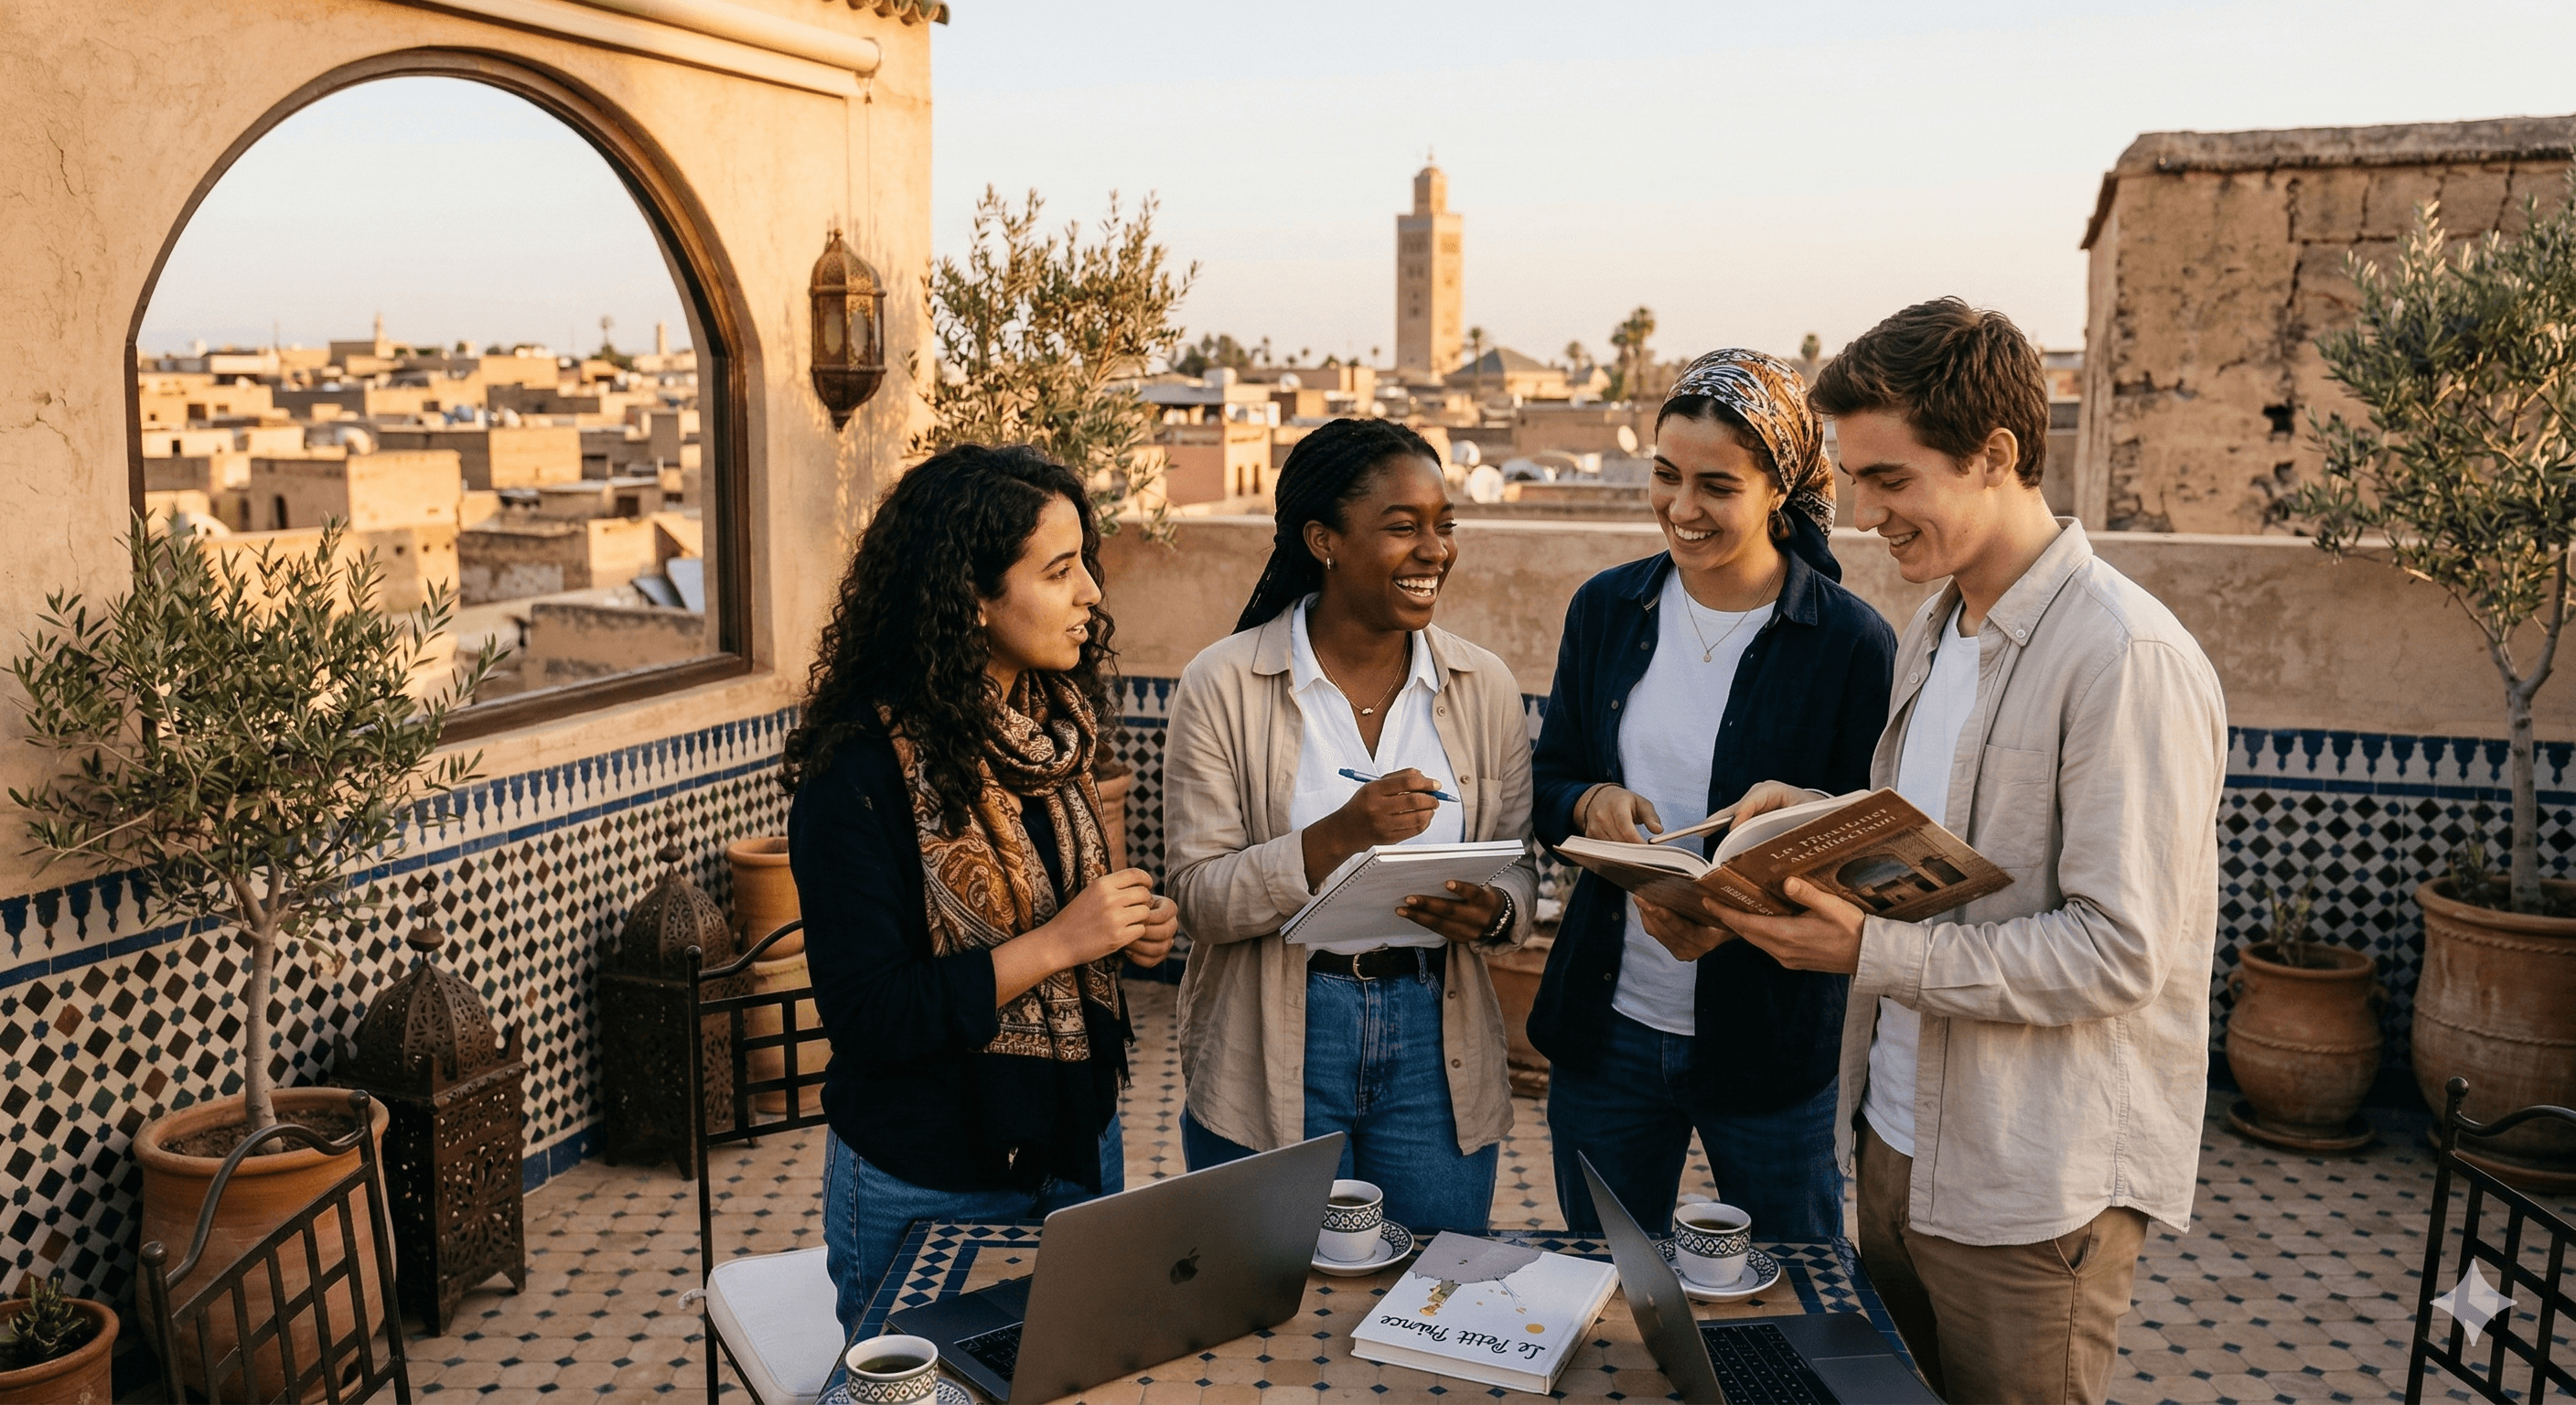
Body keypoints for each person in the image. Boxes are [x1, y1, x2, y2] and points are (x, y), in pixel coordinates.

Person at [1643, 299, 2227, 1405]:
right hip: (1896, 1144)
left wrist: (1865, 954)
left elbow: (2117, 952)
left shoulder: (2122, 656)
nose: (1862, 514)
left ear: (1993, 456)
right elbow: (1949, 850)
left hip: (2027, 1185)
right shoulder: (1937, 625)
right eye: (1854, 479)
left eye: (1888, 479)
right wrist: (1810, 817)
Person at [781, 444, 1178, 1355]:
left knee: (1073, 1373)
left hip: (1077, 1148)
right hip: (928, 1177)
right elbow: (869, 1014)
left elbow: (1059, 921)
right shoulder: (859, 772)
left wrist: (1125, 932)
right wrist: (1060, 943)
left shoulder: (1054, 732)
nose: (1092, 594)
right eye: (1059, 571)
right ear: (970, 597)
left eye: (1086, 565)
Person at [1528, 349, 1896, 1241]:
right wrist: (1589, 801)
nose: (1681, 508)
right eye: (1666, 475)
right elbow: (1548, 783)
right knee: (1606, 1270)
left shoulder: (1849, 645)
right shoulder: (1606, 609)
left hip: (1770, 1046)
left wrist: (1737, 911)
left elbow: (1874, 855)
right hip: (1608, 1032)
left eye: (1716, 486)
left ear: (1778, 490)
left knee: (1794, 1284)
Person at [1163, 416, 1539, 1236]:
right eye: (1403, 527)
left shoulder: (1483, 685)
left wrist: (1494, 911)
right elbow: (1198, 900)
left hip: (1437, 1036)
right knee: (1269, 1279)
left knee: (1433, 1276)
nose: (1434, 551)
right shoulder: (1223, 684)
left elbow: (1517, 863)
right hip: (1277, 1029)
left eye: (1444, 525)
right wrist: (1337, 837)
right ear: (1323, 540)